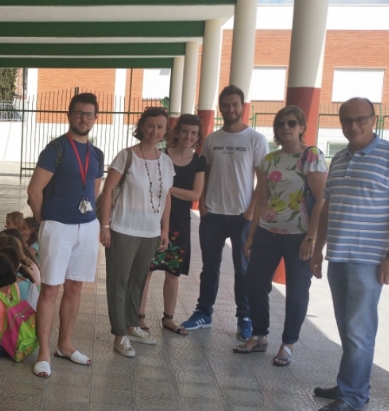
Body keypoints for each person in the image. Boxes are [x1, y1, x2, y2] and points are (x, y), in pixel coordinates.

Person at [311, 97, 389, 411]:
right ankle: (352, 385)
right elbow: (328, 207)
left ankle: (352, 397)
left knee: (359, 330)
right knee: (347, 328)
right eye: (347, 120)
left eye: (360, 119)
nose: (353, 126)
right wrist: (318, 249)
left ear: (373, 119)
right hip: (338, 257)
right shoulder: (340, 159)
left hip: (368, 261)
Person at [233, 105, 327, 366]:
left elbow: (321, 200)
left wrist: (311, 238)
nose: (286, 127)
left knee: (297, 290)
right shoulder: (269, 160)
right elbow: (262, 199)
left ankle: (288, 344)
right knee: (254, 283)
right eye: (280, 123)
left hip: (298, 236)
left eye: (291, 123)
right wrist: (251, 236)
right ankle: (259, 335)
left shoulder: (311, 156)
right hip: (267, 232)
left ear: (301, 127)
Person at [181, 85, 269, 341]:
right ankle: (204, 313)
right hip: (213, 215)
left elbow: (263, 181)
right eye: (226, 105)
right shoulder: (212, 140)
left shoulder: (255, 139)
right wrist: (203, 206)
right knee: (209, 267)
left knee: (243, 270)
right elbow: (205, 174)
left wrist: (250, 211)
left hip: (242, 216)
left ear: (242, 107)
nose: (230, 109)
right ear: (220, 108)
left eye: (235, 104)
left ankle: (245, 317)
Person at [27, 92, 104, 377]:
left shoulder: (97, 154)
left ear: (95, 119)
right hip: (58, 226)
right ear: (69, 115)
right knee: (50, 289)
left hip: (87, 226)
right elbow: (34, 191)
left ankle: (64, 345)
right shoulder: (55, 149)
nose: (84, 118)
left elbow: (94, 191)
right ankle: (44, 353)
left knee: (75, 287)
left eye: (89, 114)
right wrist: (45, 222)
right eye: (79, 113)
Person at [99, 107, 173, 357]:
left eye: (160, 127)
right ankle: (119, 333)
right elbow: (108, 190)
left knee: (138, 281)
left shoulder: (166, 161)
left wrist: (164, 229)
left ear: (165, 130)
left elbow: (166, 197)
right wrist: (105, 226)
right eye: (150, 125)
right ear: (141, 127)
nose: (155, 131)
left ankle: (131, 325)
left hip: (150, 232)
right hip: (123, 229)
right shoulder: (126, 156)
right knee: (119, 282)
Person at [137, 114, 206, 336]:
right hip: (153, 219)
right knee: (146, 271)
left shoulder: (199, 161)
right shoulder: (161, 155)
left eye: (193, 133)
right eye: (184, 131)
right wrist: (168, 190)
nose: (188, 136)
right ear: (176, 132)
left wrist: (167, 188)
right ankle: (139, 317)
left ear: (198, 136)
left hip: (180, 222)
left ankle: (168, 318)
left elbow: (195, 195)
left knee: (173, 272)